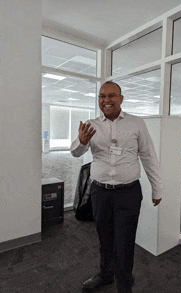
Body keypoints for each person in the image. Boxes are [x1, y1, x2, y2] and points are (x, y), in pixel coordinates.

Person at [70, 81, 163, 293]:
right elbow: (75, 152)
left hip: (128, 193)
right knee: (104, 238)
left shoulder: (136, 123)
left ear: (121, 98)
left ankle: (124, 284)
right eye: (102, 96)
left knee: (124, 241)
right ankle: (105, 275)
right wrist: (82, 142)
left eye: (112, 95)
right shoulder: (92, 125)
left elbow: (149, 156)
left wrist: (157, 187)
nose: (106, 100)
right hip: (100, 192)